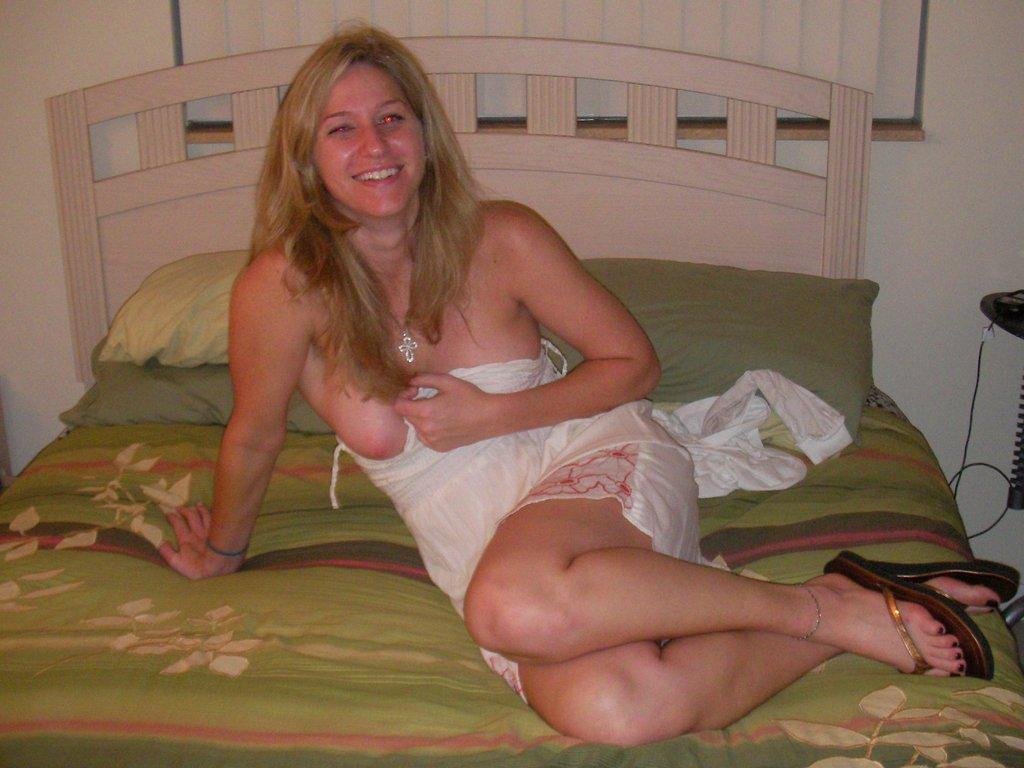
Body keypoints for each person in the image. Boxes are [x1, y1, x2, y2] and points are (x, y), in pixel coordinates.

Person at [159, 25, 1011, 745]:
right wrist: (224, 552)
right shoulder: (283, 288)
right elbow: (255, 433)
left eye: (391, 119)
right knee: (617, 707)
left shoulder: (502, 237)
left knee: (509, 604)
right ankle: (847, 605)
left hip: (588, 458)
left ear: (424, 134)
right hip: (478, 538)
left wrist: (494, 413)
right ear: (306, 157)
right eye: (340, 129)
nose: (374, 148)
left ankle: (811, 612)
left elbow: (633, 365)